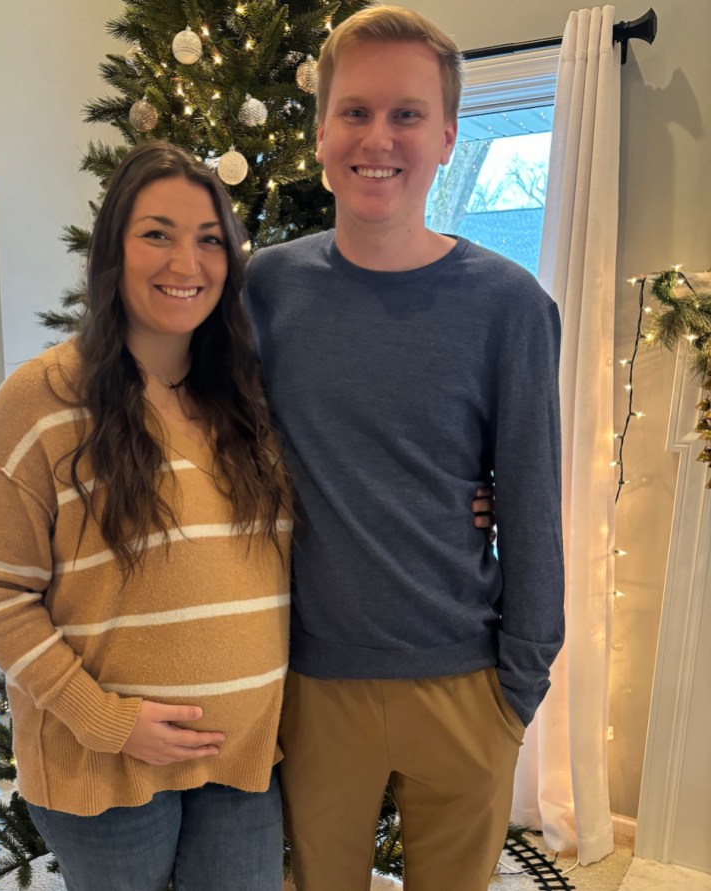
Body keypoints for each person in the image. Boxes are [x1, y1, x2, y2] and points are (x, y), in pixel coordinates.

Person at [245, 7, 564, 891]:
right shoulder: (265, 289)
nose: (377, 137)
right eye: (355, 111)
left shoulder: (511, 306)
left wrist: (518, 691)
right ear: (319, 132)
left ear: (449, 136)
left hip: (465, 684)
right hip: (313, 683)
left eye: (406, 114)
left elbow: (534, 501)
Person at [0, 141, 293, 890]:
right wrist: (107, 720)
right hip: (104, 764)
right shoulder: (38, 401)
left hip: (241, 757)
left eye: (210, 239)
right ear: (113, 250)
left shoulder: (249, 401)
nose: (187, 261)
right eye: (157, 233)